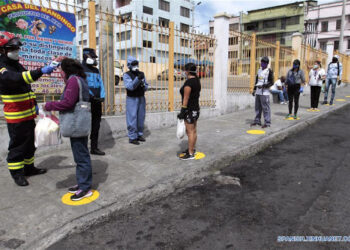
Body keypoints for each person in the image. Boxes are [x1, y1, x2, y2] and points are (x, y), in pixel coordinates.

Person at [0, 31, 58, 186]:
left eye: (17, 49)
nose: (16, 51)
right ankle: (17, 174)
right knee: (17, 146)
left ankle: (29, 168)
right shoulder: (2, 67)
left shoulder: (16, 64)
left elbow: (26, 86)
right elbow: (14, 78)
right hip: (16, 116)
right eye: (13, 49)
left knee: (30, 144)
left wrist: (36, 107)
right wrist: (41, 71)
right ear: (3, 50)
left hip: (28, 114)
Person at [44, 58, 93, 201]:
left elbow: (68, 103)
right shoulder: (80, 79)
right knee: (80, 155)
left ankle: (85, 188)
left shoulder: (73, 80)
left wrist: (49, 105)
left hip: (76, 124)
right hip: (80, 123)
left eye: (61, 70)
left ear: (66, 70)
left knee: (81, 156)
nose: (60, 73)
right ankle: (82, 183)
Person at [82, 48, 105, 155]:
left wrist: (102, 96)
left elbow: (100, 83)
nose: (94, 59)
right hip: (86, 102)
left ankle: (94, 147)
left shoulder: (96, 70)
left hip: (97, 102)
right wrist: (90, 96)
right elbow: (81, 85)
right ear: (85, 56)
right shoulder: (80, 69)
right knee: (84, 125)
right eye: (92, 57)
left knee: (96, 126)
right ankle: (83, 148)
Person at [178, 63, 201, 160]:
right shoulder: (197, 81)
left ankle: (190, 153)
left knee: (190, 131)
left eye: (184, 70)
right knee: (193, 131)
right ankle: (191, 149)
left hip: (189, 110)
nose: (184, 72)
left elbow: (186, 98)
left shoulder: (189, 83)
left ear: (187, 71)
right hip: (195, 109)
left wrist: (183, 110)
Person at [123, 56, 149, 145]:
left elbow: (146, 85)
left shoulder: (141, 73)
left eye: (136, 64)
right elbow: (130, 87)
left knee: (140, 116)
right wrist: (137, 79)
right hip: (132, 98)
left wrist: (143, 85)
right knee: (132, 117)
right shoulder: (126, 75)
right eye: (133, 64)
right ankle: (132, 137)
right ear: (129, 65)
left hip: (141, 97)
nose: (135, 66)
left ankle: (139, 134)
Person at [251, 56, 274, 128]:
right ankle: (257, 121)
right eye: (261, 62)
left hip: (265, 93)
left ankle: (267, 122)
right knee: (257, 107)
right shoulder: (259, 70)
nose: (262, 64)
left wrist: (263, 86)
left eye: (264, 63)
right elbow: (257, 81)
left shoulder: (269, 71)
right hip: (258, 92)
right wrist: (254, 89)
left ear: (267, 64)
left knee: (266, 108)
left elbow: (271, 82)